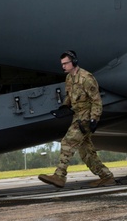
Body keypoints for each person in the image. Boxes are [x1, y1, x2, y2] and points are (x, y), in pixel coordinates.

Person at [38, 50, 116, 188]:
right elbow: (69, 95)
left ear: (74, 62)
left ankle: (59, 176)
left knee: (67, 142)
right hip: (77, 116)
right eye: (62, 64)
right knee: (86, 151)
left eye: (66, 63)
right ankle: (106, 176)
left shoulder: (86, 78)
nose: (63, 66)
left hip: (85, 118)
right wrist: (64, 106)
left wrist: (94, 120)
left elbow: (96, 101)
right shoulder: (69, 78)